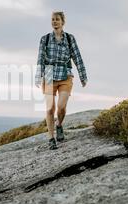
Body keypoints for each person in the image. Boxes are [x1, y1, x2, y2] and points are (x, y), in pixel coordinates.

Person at [35, 11, 88, 150]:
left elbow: (77, 57)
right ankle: (51, 138)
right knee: (49, 108)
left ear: (63, 22)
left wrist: (83, 76)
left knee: (61, 107)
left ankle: (59, 125)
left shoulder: (70, 39)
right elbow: (40, 58)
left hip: (65, 75)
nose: (54, 22)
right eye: (52, 19)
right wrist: (38, 76)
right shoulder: (44, 39)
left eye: (57, 19)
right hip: (49, 75)